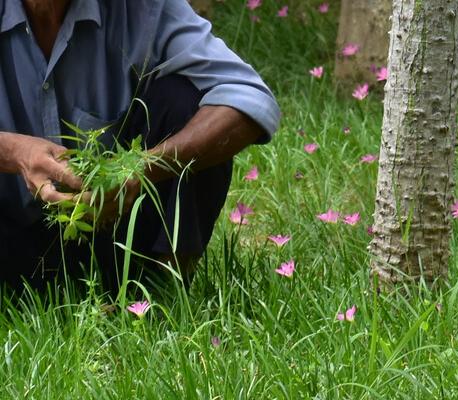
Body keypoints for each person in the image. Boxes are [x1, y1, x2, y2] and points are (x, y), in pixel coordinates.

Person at [0, 0, 280, 292]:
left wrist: (139, 169)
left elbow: (248, 97)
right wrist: (14, 152)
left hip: (116, 232)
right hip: (8, 238)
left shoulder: (142, 7)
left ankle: (161, 298)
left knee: (188, 102)